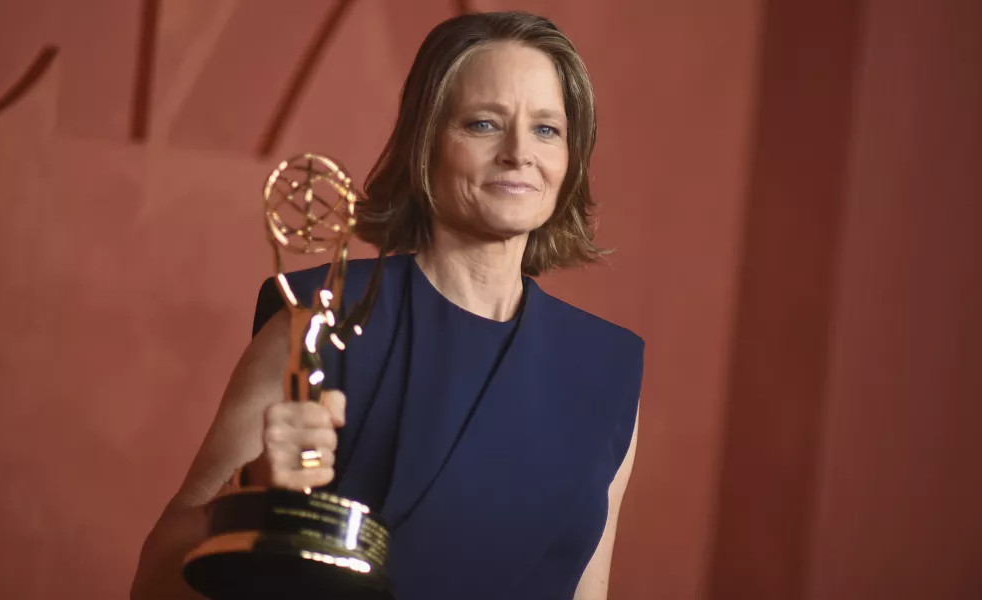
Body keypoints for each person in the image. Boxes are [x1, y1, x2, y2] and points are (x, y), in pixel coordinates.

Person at [131, 11, 643, 600]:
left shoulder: (606, 370)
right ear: (426, 143)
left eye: (547, 129)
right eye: (483, 123)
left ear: (571, 157)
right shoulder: (318, 318)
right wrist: (258, 490)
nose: (518, 153)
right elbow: (155, 582)